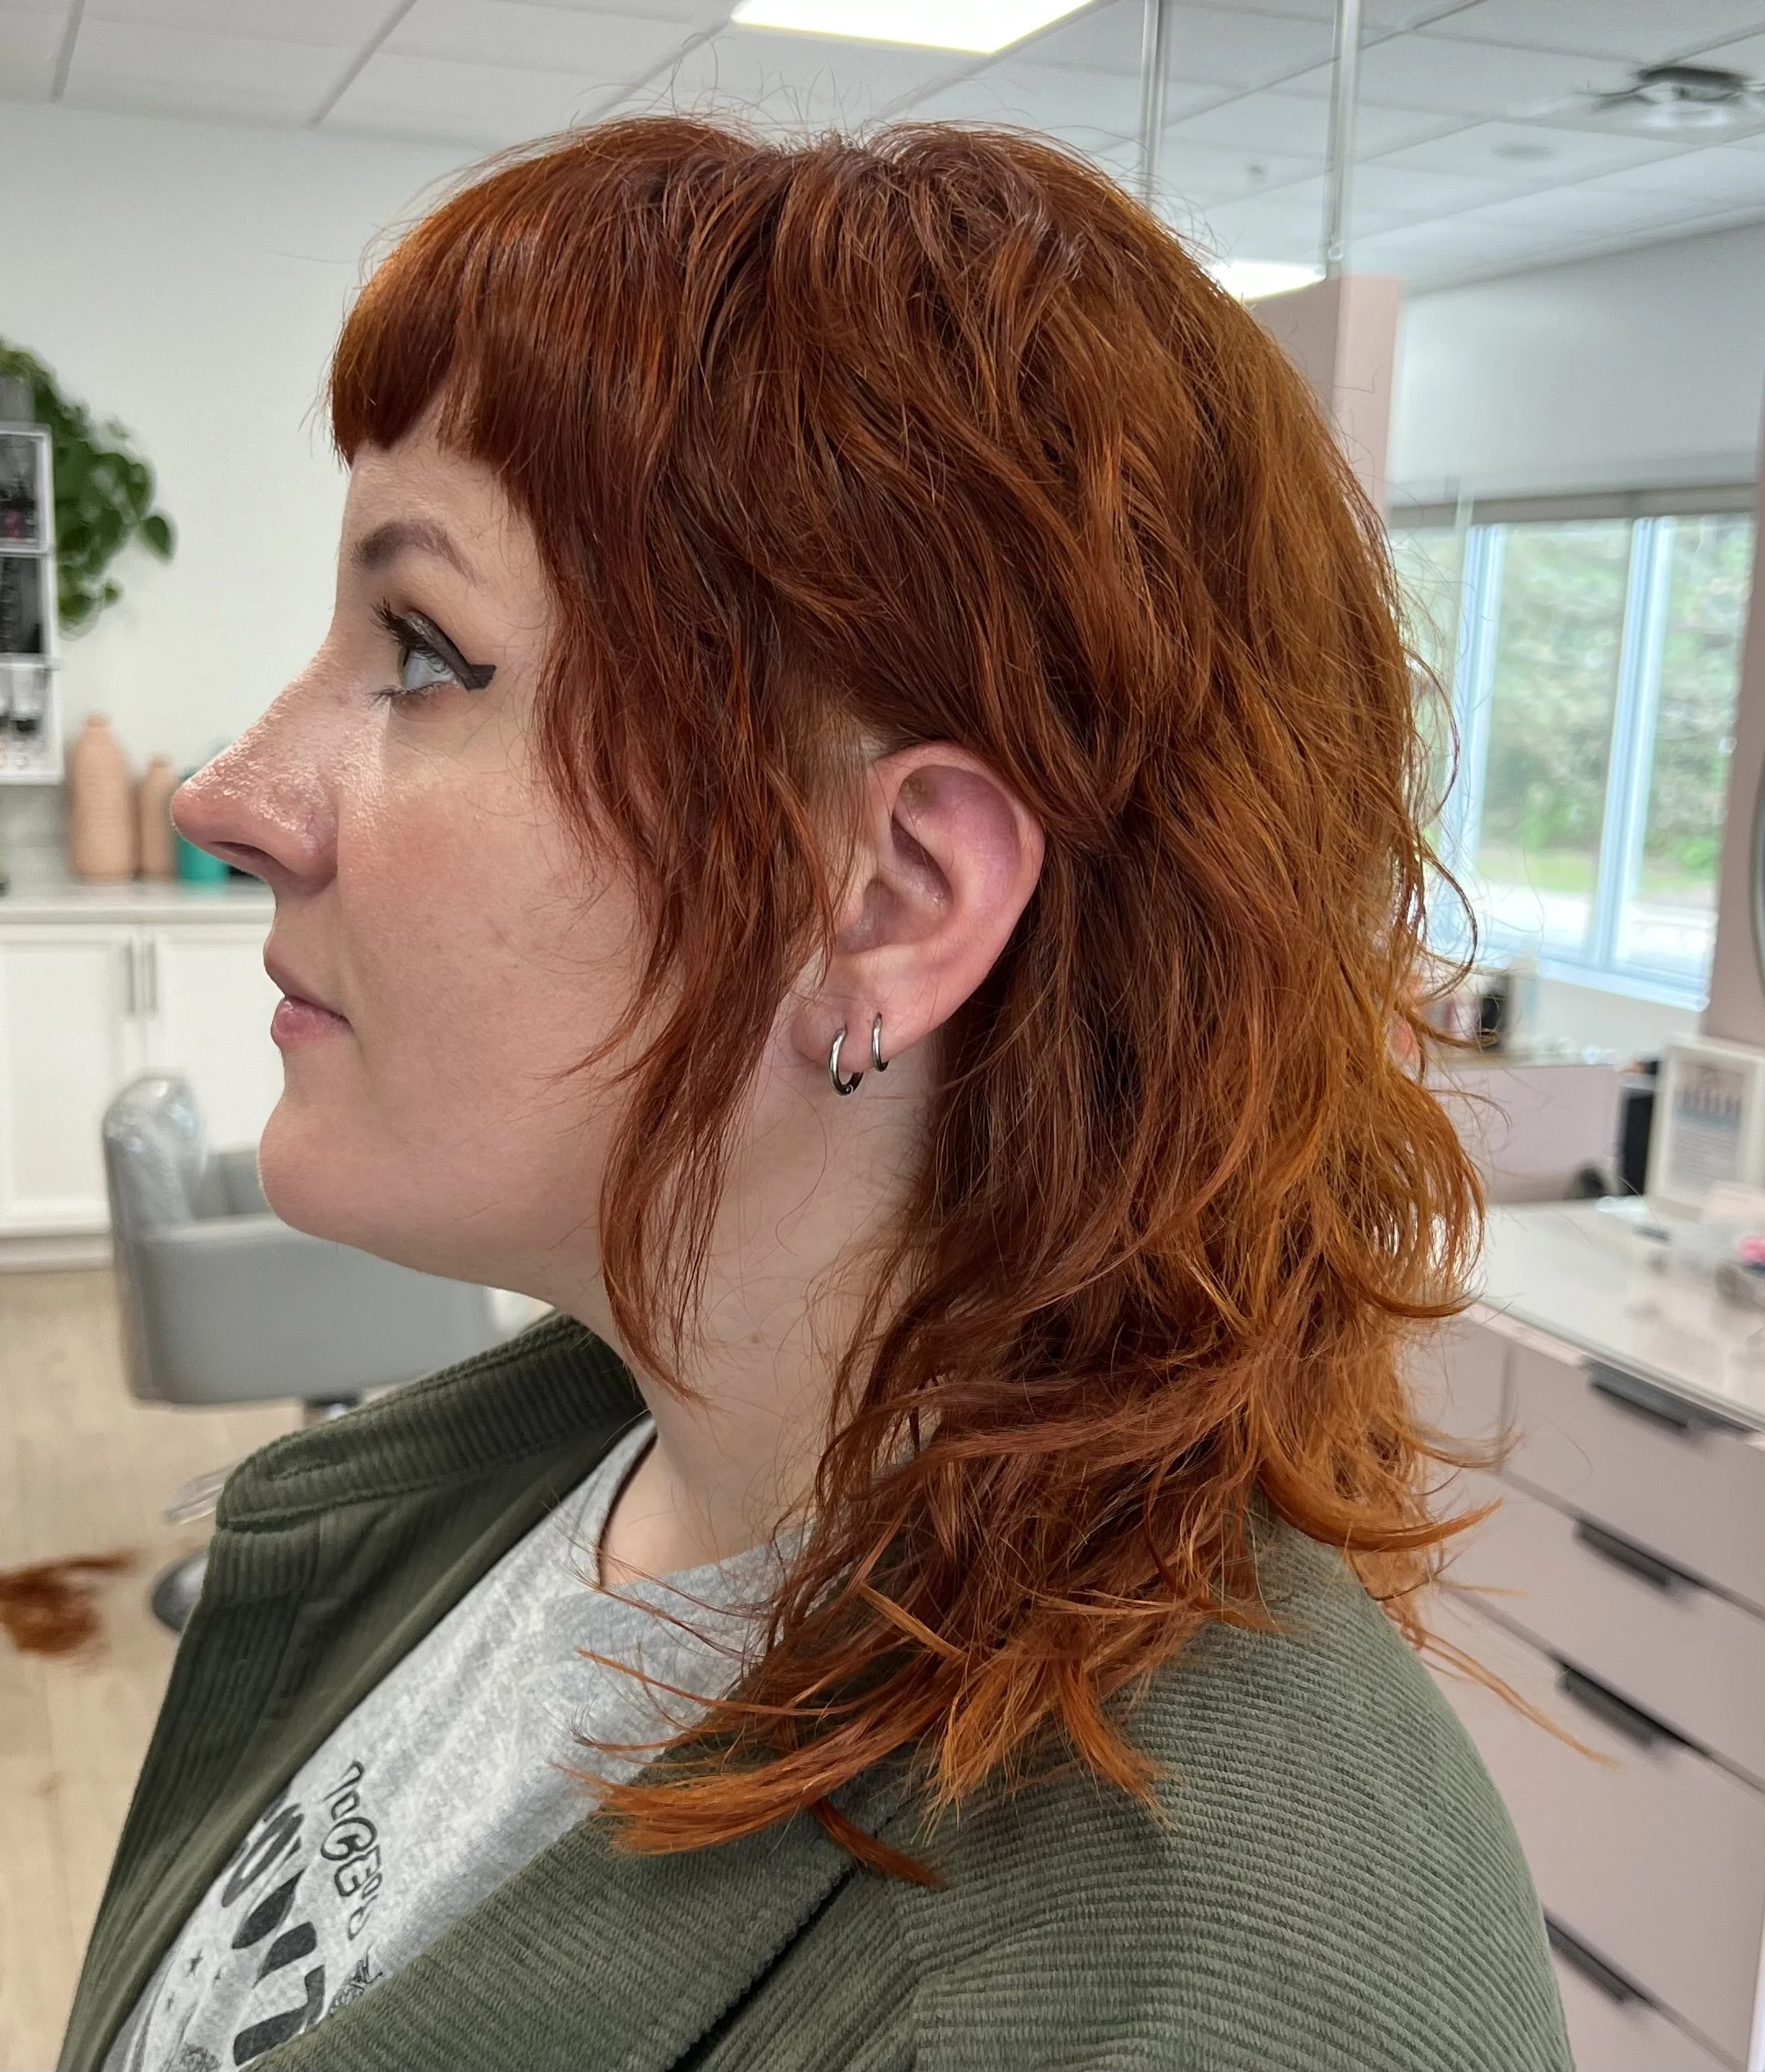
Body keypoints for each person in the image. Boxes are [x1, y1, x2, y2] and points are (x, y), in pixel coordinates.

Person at [62, 117, 1569, 2072]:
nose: (231, 795)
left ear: (885, 898)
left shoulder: (1188, 2000)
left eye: (428, 651)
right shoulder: (577, 1479)